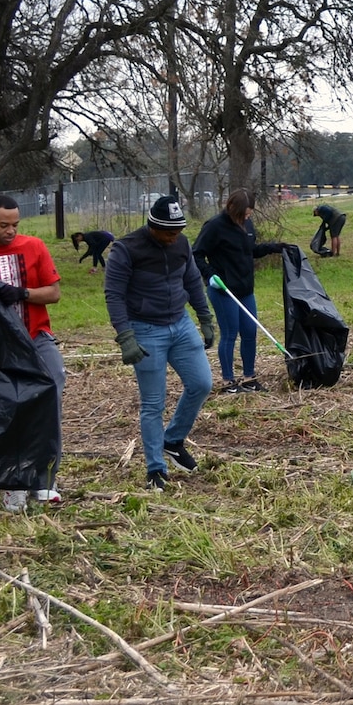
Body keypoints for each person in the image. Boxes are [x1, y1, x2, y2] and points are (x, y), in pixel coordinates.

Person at [0, 194, 65, 511]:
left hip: (36, 336)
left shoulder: (34, 248)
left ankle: (44, 480)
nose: (11, 231)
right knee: (8, 406)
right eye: (4, 225)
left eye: (16, 225)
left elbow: (54, 293)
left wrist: (22, 293)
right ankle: (12, 483)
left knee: (52, 388)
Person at [105, 195, 216, 492]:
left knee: (202, 383)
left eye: (178, 231)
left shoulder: (180, 244)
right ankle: (156, 469)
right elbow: (114, 295)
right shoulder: (126, 249)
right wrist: (125, 337)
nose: (173, 237)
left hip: (180, 324)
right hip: (145, 328)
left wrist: (204, 317)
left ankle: (173, 440)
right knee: (153, 404)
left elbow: (192, 279)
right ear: (153, 226)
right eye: (168, 232)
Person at [194, 189, 286, 393]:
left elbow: (250, 251)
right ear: (232, 208)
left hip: (245, 289)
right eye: (244, 214)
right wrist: (210, 276)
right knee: (229, 334)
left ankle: (249, 378)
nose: (247, 217)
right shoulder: (214, 226)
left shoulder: (247, 224)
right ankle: (229, 382)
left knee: (250, 332)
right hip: (224, 290)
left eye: (249, 214)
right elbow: (196, 254)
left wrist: (275, 247)